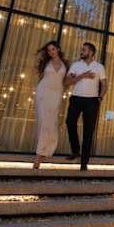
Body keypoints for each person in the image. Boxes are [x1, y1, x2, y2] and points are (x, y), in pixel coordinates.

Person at [64, 42, 106, 171]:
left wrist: (99, 98)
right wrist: (82, 76)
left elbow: (105, 85)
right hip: (76, 98)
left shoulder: (99, 67)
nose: (81, 51)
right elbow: (67, 82)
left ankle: (84, 162)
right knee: (70, 123)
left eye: (84, 50)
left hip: (91, 101)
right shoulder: (76, 65)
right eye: (81, 49)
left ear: (91, 52)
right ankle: (76, 150)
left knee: (88, 132)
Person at [33, 41, 68, 169]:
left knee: (51, 123)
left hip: (56, 95)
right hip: (43, 92)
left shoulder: (66, 65)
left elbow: (66, 81)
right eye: (48, 50)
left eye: (53, 49)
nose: (51, 52)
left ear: (58, 49)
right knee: (43, 122)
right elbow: (42, 77)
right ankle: (39, 157)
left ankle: (46, 150)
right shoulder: (46, 63)